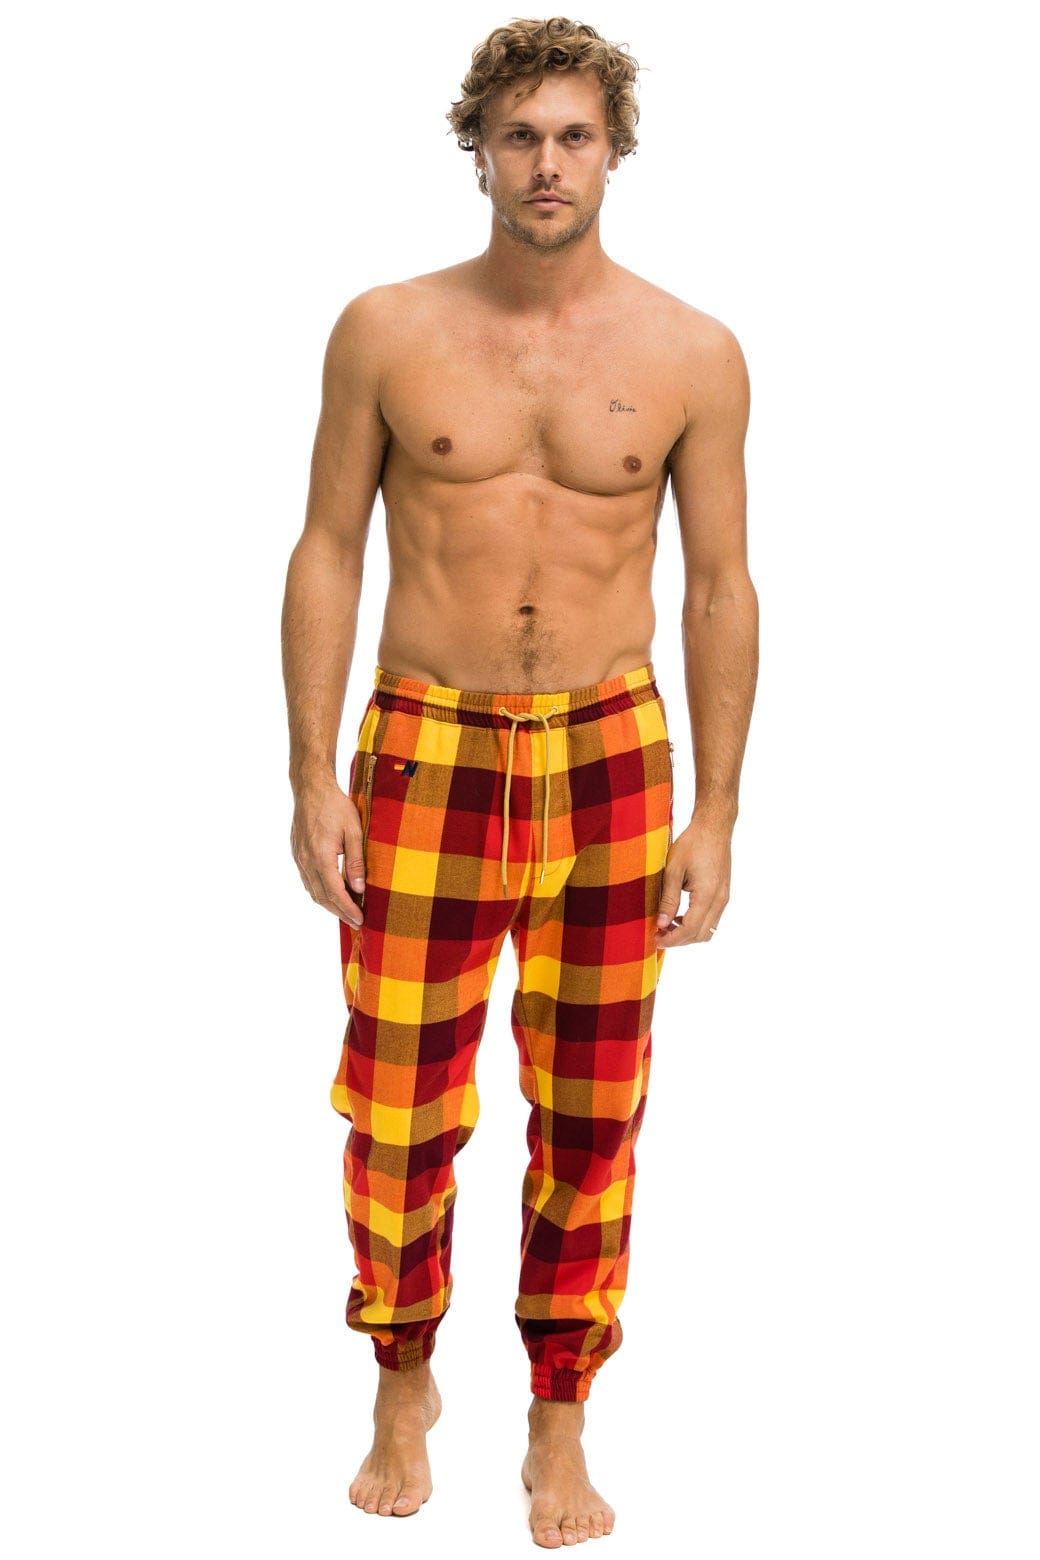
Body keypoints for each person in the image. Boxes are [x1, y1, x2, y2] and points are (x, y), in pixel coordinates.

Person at [281, 14, 758, 1549]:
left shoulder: (693, 353)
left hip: (612, 752)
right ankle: (401, 1374)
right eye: (519, 137)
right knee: (398, 1104)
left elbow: (721, 585)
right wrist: (311, 772)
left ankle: (561, 1413)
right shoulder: (386, 330)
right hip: (427, 747)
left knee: (594, 1107)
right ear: (477, 151)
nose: (546, 164)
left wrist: (718, 809)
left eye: (573, 137)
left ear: (614, 152)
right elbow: (328, 548)